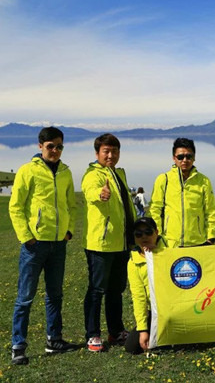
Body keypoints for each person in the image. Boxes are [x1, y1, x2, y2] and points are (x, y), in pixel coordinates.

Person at [8, 127, 77, 365]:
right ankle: (18, 346)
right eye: (50, 146)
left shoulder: (66, 172)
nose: (55, 151)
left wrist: (68, 231)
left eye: (59, 146)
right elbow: (15, 206)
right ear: (40, 146)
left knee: (55, 295)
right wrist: (26, 236)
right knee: (25, 297)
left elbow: (71, 205)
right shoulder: (28, 170)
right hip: (34, 246)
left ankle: (54, 340)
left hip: (58, 244)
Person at [82, 133, 135, 352]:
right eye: (106, 151)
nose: (111, 155)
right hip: (101, 244)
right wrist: (100, 194)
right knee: (97, 290)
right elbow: (90, 191)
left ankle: (116, 331)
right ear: (97, 153)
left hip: (121, 243)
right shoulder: (92, 175)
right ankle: (92, 335)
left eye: (114, 151)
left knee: (116, 290)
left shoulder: (118, 173)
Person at [149, 138, 215, 248]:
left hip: (197, 242)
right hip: (170, 243)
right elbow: (155, 210)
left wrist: (211, 237)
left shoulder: (204, 181)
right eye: (180, 157)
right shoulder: (163, 179)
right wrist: (157, 237)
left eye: (189, 156)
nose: (185, 160)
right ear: (174, 158)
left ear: (194, 157)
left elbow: (211, 211)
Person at [125, 217, 168, 354]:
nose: (144, 237)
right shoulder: (133, 262)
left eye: (148, 232)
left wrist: (160, 253)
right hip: (155, 311)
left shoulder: (170, 250)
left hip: (175, 306)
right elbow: (139, 297)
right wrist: (143, 330)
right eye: (139, 234)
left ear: (157, 232)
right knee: (131, 346)